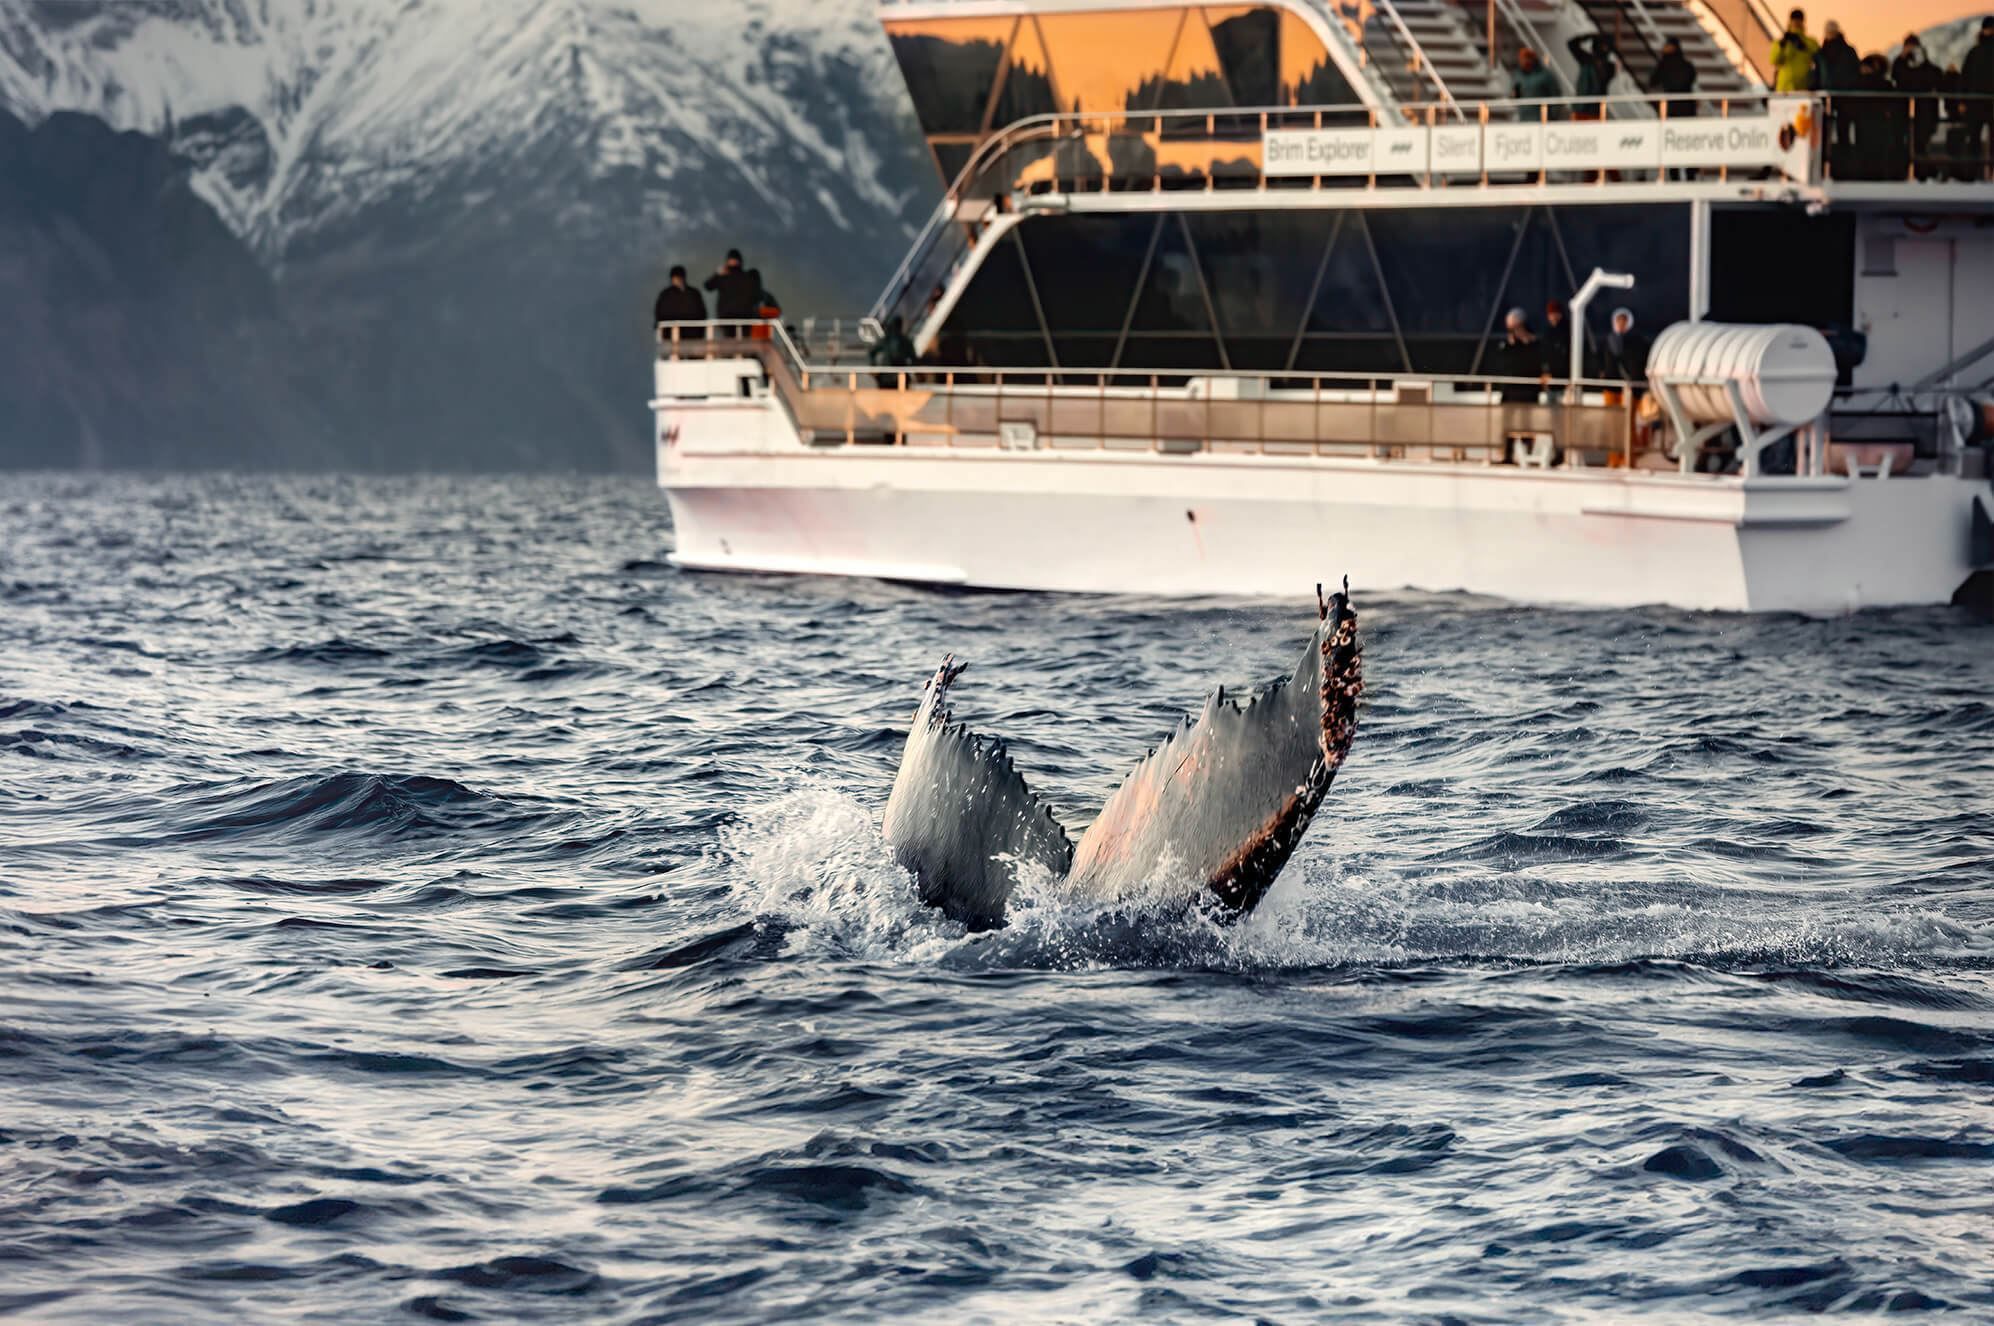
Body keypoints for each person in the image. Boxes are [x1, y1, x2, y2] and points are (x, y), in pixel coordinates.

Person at [1811, 22, 1860, 173]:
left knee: (1843, 133)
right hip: (1824, 98)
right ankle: (1821, 166)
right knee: (1822, 133)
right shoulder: (1820, 53)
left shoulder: (1847, 52)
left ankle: (1845, 168)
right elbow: (1816, 75)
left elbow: (1855, 72)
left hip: (1844, 97)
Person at [1893, 33, 1942, 179]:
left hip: (1924, 111)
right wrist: (1902, 58)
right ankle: (1906, 173)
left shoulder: (1927, 65)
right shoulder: (1900, 63)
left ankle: (1924, 174)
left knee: (1920, 144)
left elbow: (1932, 78)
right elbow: (1897, 76)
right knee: (1904, 143)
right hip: (1904, 111)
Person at [1491, 308, 1549, 403]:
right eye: (1511, 329)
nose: (1514, 332)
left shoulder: (1534, 345)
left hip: (1529, 392)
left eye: (1516, 328)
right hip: (1510, 391)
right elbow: (1502, 367)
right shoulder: (1507, 346)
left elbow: (1539, 366)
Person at [1964, 17, 1994, 175]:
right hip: (1976, 102)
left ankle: (1987, 173)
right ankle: (1973, 173)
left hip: (1985, 102)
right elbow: (1966, 76)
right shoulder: (1975, 52)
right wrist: (1963, 100)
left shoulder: (1975, 52)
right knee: (1974, 139)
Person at [704, 248, 766, 323]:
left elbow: (708, 286)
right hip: (745, 318)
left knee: (732, 334)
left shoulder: (723, 277)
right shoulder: (748, 278)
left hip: (728, 318)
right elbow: (757, 296)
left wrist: (717, 274)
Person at [1567, 34, 1617, 119]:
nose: (1604, 49)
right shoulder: (1586, 60)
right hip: (1581, 108)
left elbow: (1604, 81)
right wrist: (1589, 36)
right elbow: (1572, 44)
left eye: (1606, 46)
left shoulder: (1609, 66)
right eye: (1602, 46)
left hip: (1596, 109)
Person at [1769, 9, 1819, 92]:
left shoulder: (1810, 42)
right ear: (1790, 21)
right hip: (1785, 88)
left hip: (1803, 87)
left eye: (1799, 19)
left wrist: (1802, 44)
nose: (1796, 22)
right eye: (1794, 19)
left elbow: (1817, 57)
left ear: (1802, 22)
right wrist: (1782, 46)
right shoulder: (1781, 42)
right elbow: (1774, 60)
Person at [653, 265, 706, 342]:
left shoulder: (693, 293)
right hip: (670, 335)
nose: (677, 280)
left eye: (679, 277)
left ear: (683, 278)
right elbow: (659, 313)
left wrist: (701, 331)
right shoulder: (666, 294)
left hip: (692, 335)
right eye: (675, 278)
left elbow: (701, 313)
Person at [1601, 308, 1649, 388]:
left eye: (1624, 321)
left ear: (1628, 322)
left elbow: (1641, 359)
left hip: (1632, 384)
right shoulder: (1608, 339)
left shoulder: (1637, 340)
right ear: (1614, 322)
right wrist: (1603, 370)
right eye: (1618, 321)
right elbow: (1602, 357)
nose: (1621, 323)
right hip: (1611, 383)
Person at [1512, 45, 1561, 116]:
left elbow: (1556, 95)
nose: (1524, 61)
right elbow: (1515, 95)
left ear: (1533, 59)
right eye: (1522, 59)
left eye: (1527, 58)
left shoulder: (1545, 75)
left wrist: (1553, 115)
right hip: (1524, 117)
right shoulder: (1518, 75)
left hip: (1541, 116)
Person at [1542, 298, 1571, 384]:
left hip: (1566, 380)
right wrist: (1545, 371)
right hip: (1551, 380)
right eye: (1550, 314)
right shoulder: (1548, 332)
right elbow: (1544, 353)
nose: (1552, 317)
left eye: (1555, 313)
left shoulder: (1569, 330)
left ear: (1560, 314)